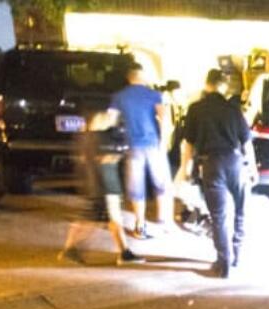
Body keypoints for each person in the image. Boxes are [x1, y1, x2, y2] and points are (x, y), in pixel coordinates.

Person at [177, 68, 257, 278]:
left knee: (218, 216)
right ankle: (237, 253)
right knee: (241, 208)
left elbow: (188, 143)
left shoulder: (195, 109)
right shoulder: (233, 109)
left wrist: (186, 168)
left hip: (211, 163)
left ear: (207, 84)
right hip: (236, 162)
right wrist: (253, 167)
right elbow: (246, 141)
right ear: (224, 86)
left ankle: (223, 262)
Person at [58, 110, 138, 265]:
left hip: (97, 184)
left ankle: (124, 252)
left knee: (105, 219)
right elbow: (115, 154)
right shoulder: (102, 138)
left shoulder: (88, 138)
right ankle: (70, 249)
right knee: (96, 219)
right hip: (106, 185)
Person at [108, 62, 173, 239]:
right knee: (162, 184)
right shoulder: (154, 95)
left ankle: (140, 225)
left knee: (136, 188)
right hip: (153, 145)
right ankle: (164, 221)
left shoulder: (119, 96)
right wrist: (164, 142)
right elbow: (165, 120)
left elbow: (111, 119)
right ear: (142, 75)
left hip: (133, 146)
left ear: (129, 77)